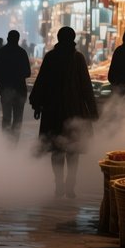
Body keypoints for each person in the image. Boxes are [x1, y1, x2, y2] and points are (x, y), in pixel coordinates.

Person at [29, 26, 97, 198]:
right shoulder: (78, 58)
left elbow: (41, 82)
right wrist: (92, 110)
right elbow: (86, 87)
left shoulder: (51, 57)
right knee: (73, 151)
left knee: (57, 150)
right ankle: (70, 185)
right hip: (75, 111)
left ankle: (59, 183)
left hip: (53, 112)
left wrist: (37, 105)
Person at [0, 29, 31, 138]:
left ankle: (6, 141)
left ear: (8, 38)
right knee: (18, 118)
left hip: (5, 88)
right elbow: (28, 73)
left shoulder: (2, 52)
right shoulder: (22, 53)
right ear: (18, 39)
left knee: (6, 116)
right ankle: (14, 141)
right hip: (20, 89)